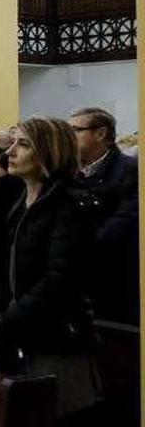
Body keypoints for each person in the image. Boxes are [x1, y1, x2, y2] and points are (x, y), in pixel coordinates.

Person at [0, 117, 100, 421]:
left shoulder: (71, 205)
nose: (9, 152)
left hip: (52, 340)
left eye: (23, 144)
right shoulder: (7, 199)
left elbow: (59, 281)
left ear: (49, 152)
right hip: (4, 335)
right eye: (12, 142)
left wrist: (2, 323)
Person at [69, 107, 139, 325]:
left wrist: (74, 245)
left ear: (100, 134)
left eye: (76, 130)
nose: (69, 137)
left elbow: (122, 223)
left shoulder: (129, 170)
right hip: (77, 283)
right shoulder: (70, 171)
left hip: (113, 280)